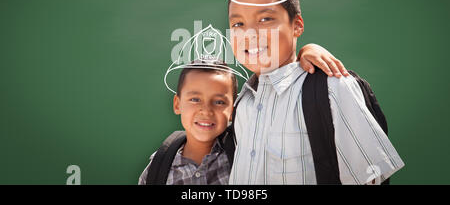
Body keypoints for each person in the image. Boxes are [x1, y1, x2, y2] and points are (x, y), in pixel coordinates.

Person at [227, 0, 405, 184]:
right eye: (238, 24)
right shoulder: (243, 104)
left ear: (297, 26)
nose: (250, 34)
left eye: (265, 19)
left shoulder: (332, 88)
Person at [139, 43, 349, 184]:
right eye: (195, 99)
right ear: (177, 104)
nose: (206, 110)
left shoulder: (246, 152)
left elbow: (276, 89)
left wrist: (307, 50)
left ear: (233, 109)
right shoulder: (159, 166)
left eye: (219, 101)